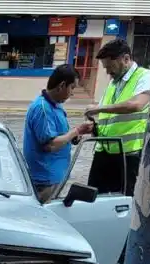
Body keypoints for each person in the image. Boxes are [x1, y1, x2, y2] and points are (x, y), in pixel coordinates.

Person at [84, 39, 150, 196]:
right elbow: (107, 113)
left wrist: (98, 108)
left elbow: (136, 104)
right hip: (104, 151)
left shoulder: (145, 77)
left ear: (126, 59)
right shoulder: (114, 82)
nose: (108, 72)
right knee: (94, 198)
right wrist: (93, 125)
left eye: (110, 67)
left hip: (127, 154)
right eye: (105, 68)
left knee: (123, 202)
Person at [23, 65, 94, 203]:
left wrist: (76, 136)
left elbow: (61, 136)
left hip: (54, 177)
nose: (72, 93)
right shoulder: (42, 108)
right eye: (72, 88)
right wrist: (77, 130)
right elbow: (50, 145)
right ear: (62, 85)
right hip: (44, 180)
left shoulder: (56, 106)